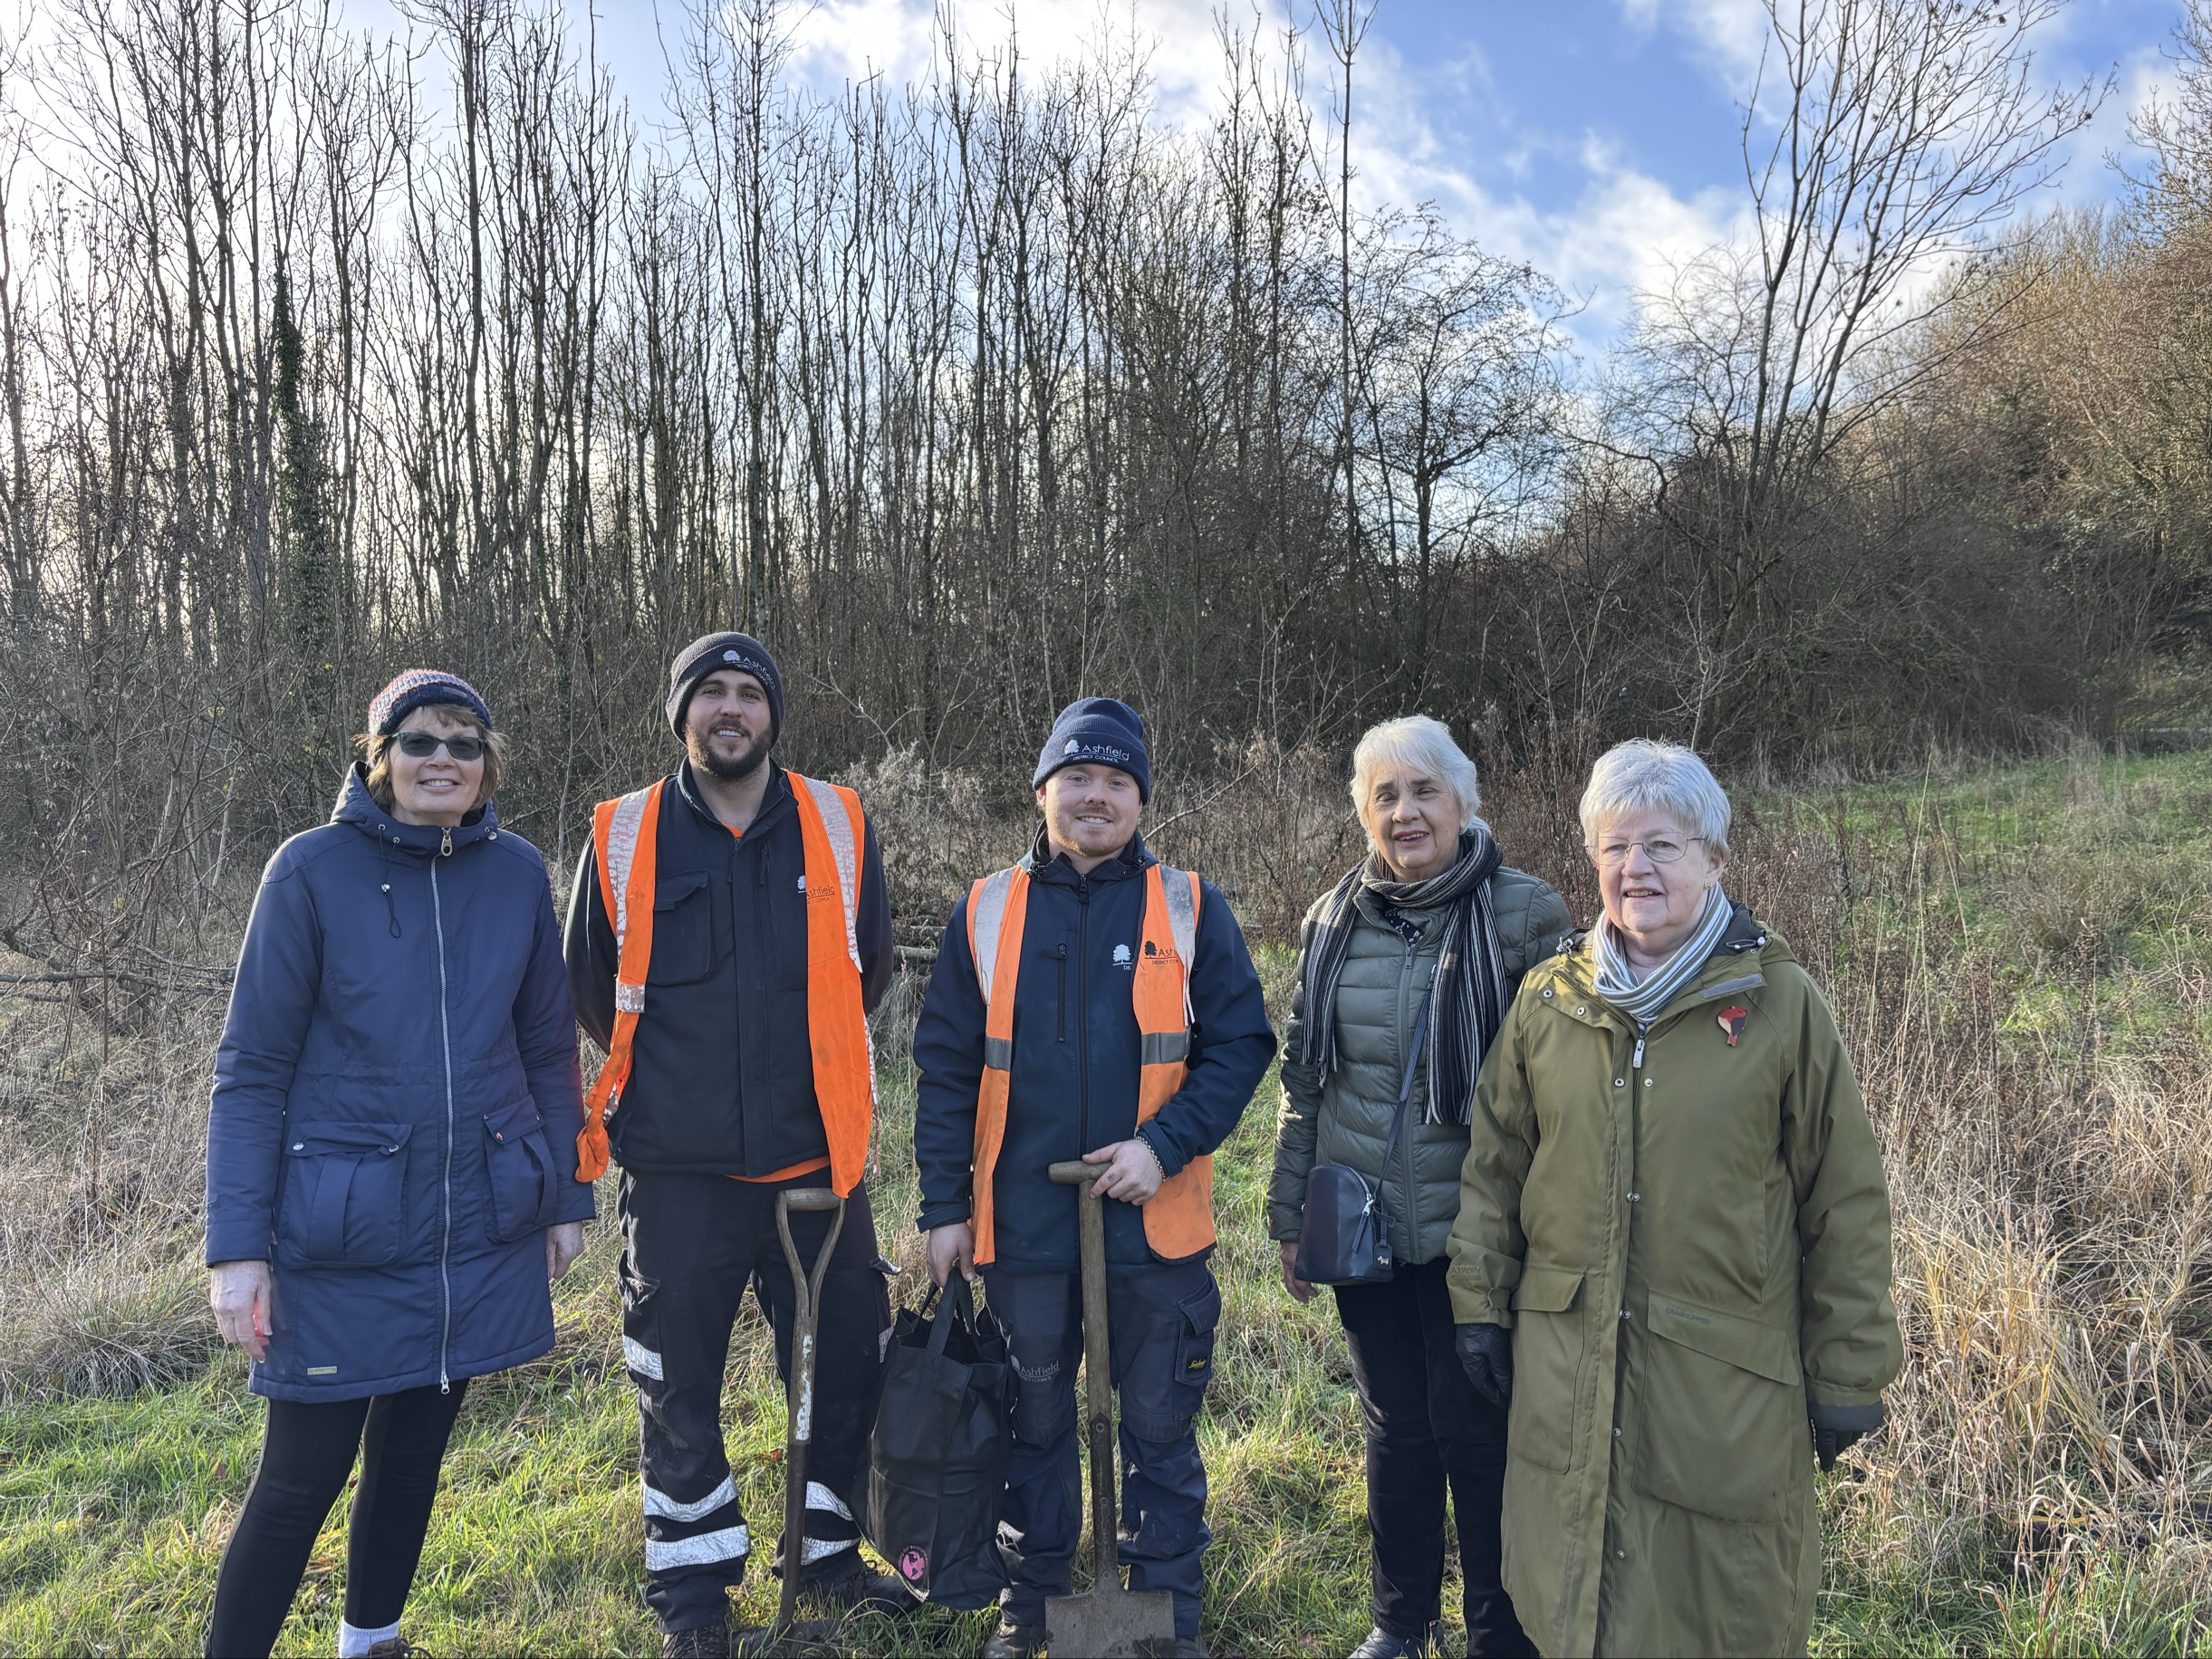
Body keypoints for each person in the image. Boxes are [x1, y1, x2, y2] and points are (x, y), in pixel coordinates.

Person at [1447, 739, 1902, 1658]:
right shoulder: (1549, 1001)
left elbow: (1843, 1199)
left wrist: (1850, 1370)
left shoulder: (1781, 1004)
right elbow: (1495, 1166)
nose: (1635, 868)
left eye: (1661, 845)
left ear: (1714, 859)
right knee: (1568, 1596)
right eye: (1614, 847)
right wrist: (1481, 1306)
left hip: (1721, 1385)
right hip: (1566, 1361)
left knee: (1706, 1610)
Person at [204, 670, 594, 1659]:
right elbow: (251, 1070)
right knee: (301, 1473)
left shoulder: (516, 873)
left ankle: (369, 1640)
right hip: (344, 1227)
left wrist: (563, 1193)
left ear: (488, 762)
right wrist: (237, 1247)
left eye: (465, 742)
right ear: (379, 758)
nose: (443, 761)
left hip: (477, 1218)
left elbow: (548, 1045)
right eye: (419, 741)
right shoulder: (309, 870)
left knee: (416, 1450)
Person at [911, 697, 1277, 1659]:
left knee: (1158, 1427)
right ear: (1043, 791)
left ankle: (1162, 1617)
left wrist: (1162, 1144)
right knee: (1033, 1425)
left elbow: (1241, 1043)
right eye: (1078, 778)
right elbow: (945, 1064)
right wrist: (944, 1208)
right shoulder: (987, 909)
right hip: (1024, 1230)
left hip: (1154, 1227)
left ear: (1141, 798)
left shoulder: (1188, 903)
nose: (1097, 797)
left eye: (1118, 781)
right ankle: (1032, 1602)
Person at [563, 632, 903, 1658]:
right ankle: (697, 1596)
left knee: (846, 1359)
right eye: (709, 692)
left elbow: (871, 965)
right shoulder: (623, 834)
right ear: (682, 715)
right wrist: (679, 1088)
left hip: (816, 1160)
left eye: (748, 692)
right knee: (676, 1383)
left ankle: (830, 1555)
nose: (730, 709)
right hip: (678, 1171)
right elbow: (589, 985)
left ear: (772, 713)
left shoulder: (839, 821)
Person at [1268, 715, 1571, 1659]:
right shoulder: (1332, 920)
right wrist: (1287, 1211)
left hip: (1477, 1232)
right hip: (1363, 1229)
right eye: (1384, 795)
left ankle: (1498, 1630)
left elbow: (1562, 1094)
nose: (1405, 812)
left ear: (1464, 802)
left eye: (1423, 791)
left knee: (1476, 1430)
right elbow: (1305, 1078)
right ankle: (1399, 1621)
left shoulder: (1526, 914)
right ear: (1364, 813)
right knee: (1394, 1430)